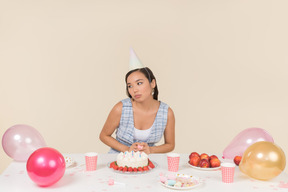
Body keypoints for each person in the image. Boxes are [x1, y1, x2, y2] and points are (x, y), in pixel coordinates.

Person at [99, 67, 175, 154]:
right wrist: (127, 149)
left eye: (139, 83)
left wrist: (150, 150)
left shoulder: (167, 113)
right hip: (119, 158)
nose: (134, 90)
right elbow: (104, 135)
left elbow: (170, 145)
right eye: (130, 86)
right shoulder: (121, 108)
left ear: (153, 83)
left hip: (148, 160)